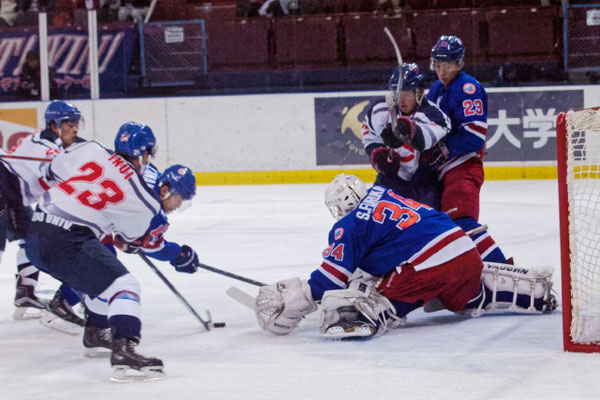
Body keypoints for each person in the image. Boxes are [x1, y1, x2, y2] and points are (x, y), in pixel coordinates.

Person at [254, 174, 557, 339]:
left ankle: (366, 315)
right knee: (465, 296)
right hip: (465, 251)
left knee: (367, 303)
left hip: (431, 264)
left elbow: (329, 278)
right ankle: (535, 292)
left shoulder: (348, 224)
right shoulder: (386, 195)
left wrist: (294, 302)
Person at [23, 122, 166, 381]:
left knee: (99, 279)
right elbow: (131, 239)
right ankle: (124, 350)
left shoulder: (91, 149)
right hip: (67, 241)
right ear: (144, 153)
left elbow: (52, 171)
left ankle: (95, 334)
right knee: (125, 285)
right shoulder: (145, 199)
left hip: (35, 233)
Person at [425, 35, 508, 263]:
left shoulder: (468, 88)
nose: (442, 71)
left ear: (459, 63)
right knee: (437, 231)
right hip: (443, 172)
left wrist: (440, 150)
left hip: (463, 168)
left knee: (461, 221)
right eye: (438, 65)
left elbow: (474, 136)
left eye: (448, 65)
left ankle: (506, 273)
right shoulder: (436, 89)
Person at [0, 100, 83, 320]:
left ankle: (25, 291)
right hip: (3, 188)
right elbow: (59, 176)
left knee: (31, 237)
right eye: (69, 124)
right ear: (55, 124)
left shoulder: (56, 145)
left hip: (14, 196)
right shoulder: (45, 146)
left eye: (76, 124)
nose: (74, 129)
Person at [362, 62, 451, 210]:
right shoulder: (379, 110)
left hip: (423, 184)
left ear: (420, 93)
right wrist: (379, 155)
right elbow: (369, 137)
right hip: (389, 180)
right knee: (370, 218)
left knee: (426, 225)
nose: (401, 99)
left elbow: (426, 138)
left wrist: (407, 128)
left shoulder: (435, 115)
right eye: (397, 93)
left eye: (407, 93)